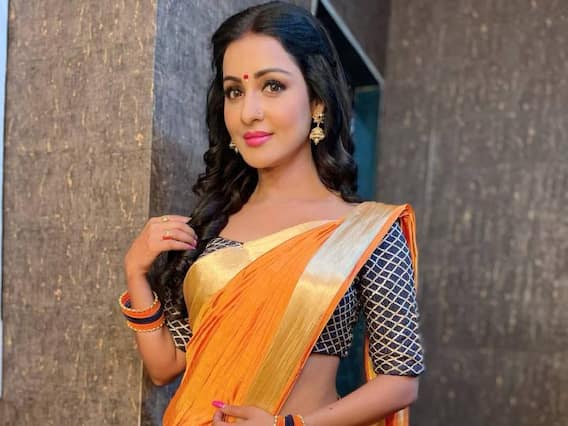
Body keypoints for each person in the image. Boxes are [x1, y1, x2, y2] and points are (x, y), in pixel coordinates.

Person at [120, 2, 424, 425]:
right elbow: (166, 365)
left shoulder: (366, 231)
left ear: (317, 101)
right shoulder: (214, 225)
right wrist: (136, 273)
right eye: (235, 91)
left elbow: (400, 380)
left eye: (273, 86)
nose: (249, 112)